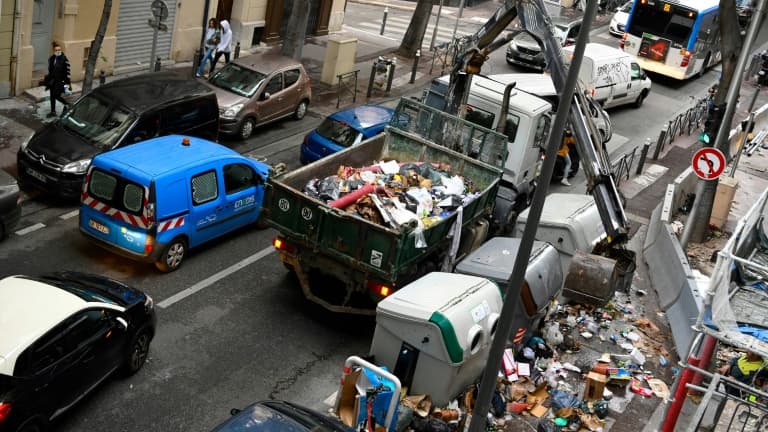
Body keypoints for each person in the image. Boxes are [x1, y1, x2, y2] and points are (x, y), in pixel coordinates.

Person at [46, 43, 71, 118]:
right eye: (56, 50)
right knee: (52, 97)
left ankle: (67, 104)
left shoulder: (64, 59)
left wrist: (67, 85)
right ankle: (53, 111)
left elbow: (68, 73)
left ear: (61, 50)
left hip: (60, 81)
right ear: (54, 51)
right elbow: (50, 70)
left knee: (56, 95)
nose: (58, 51)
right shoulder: (52, 58)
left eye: (59, 50)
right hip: (52, 81)